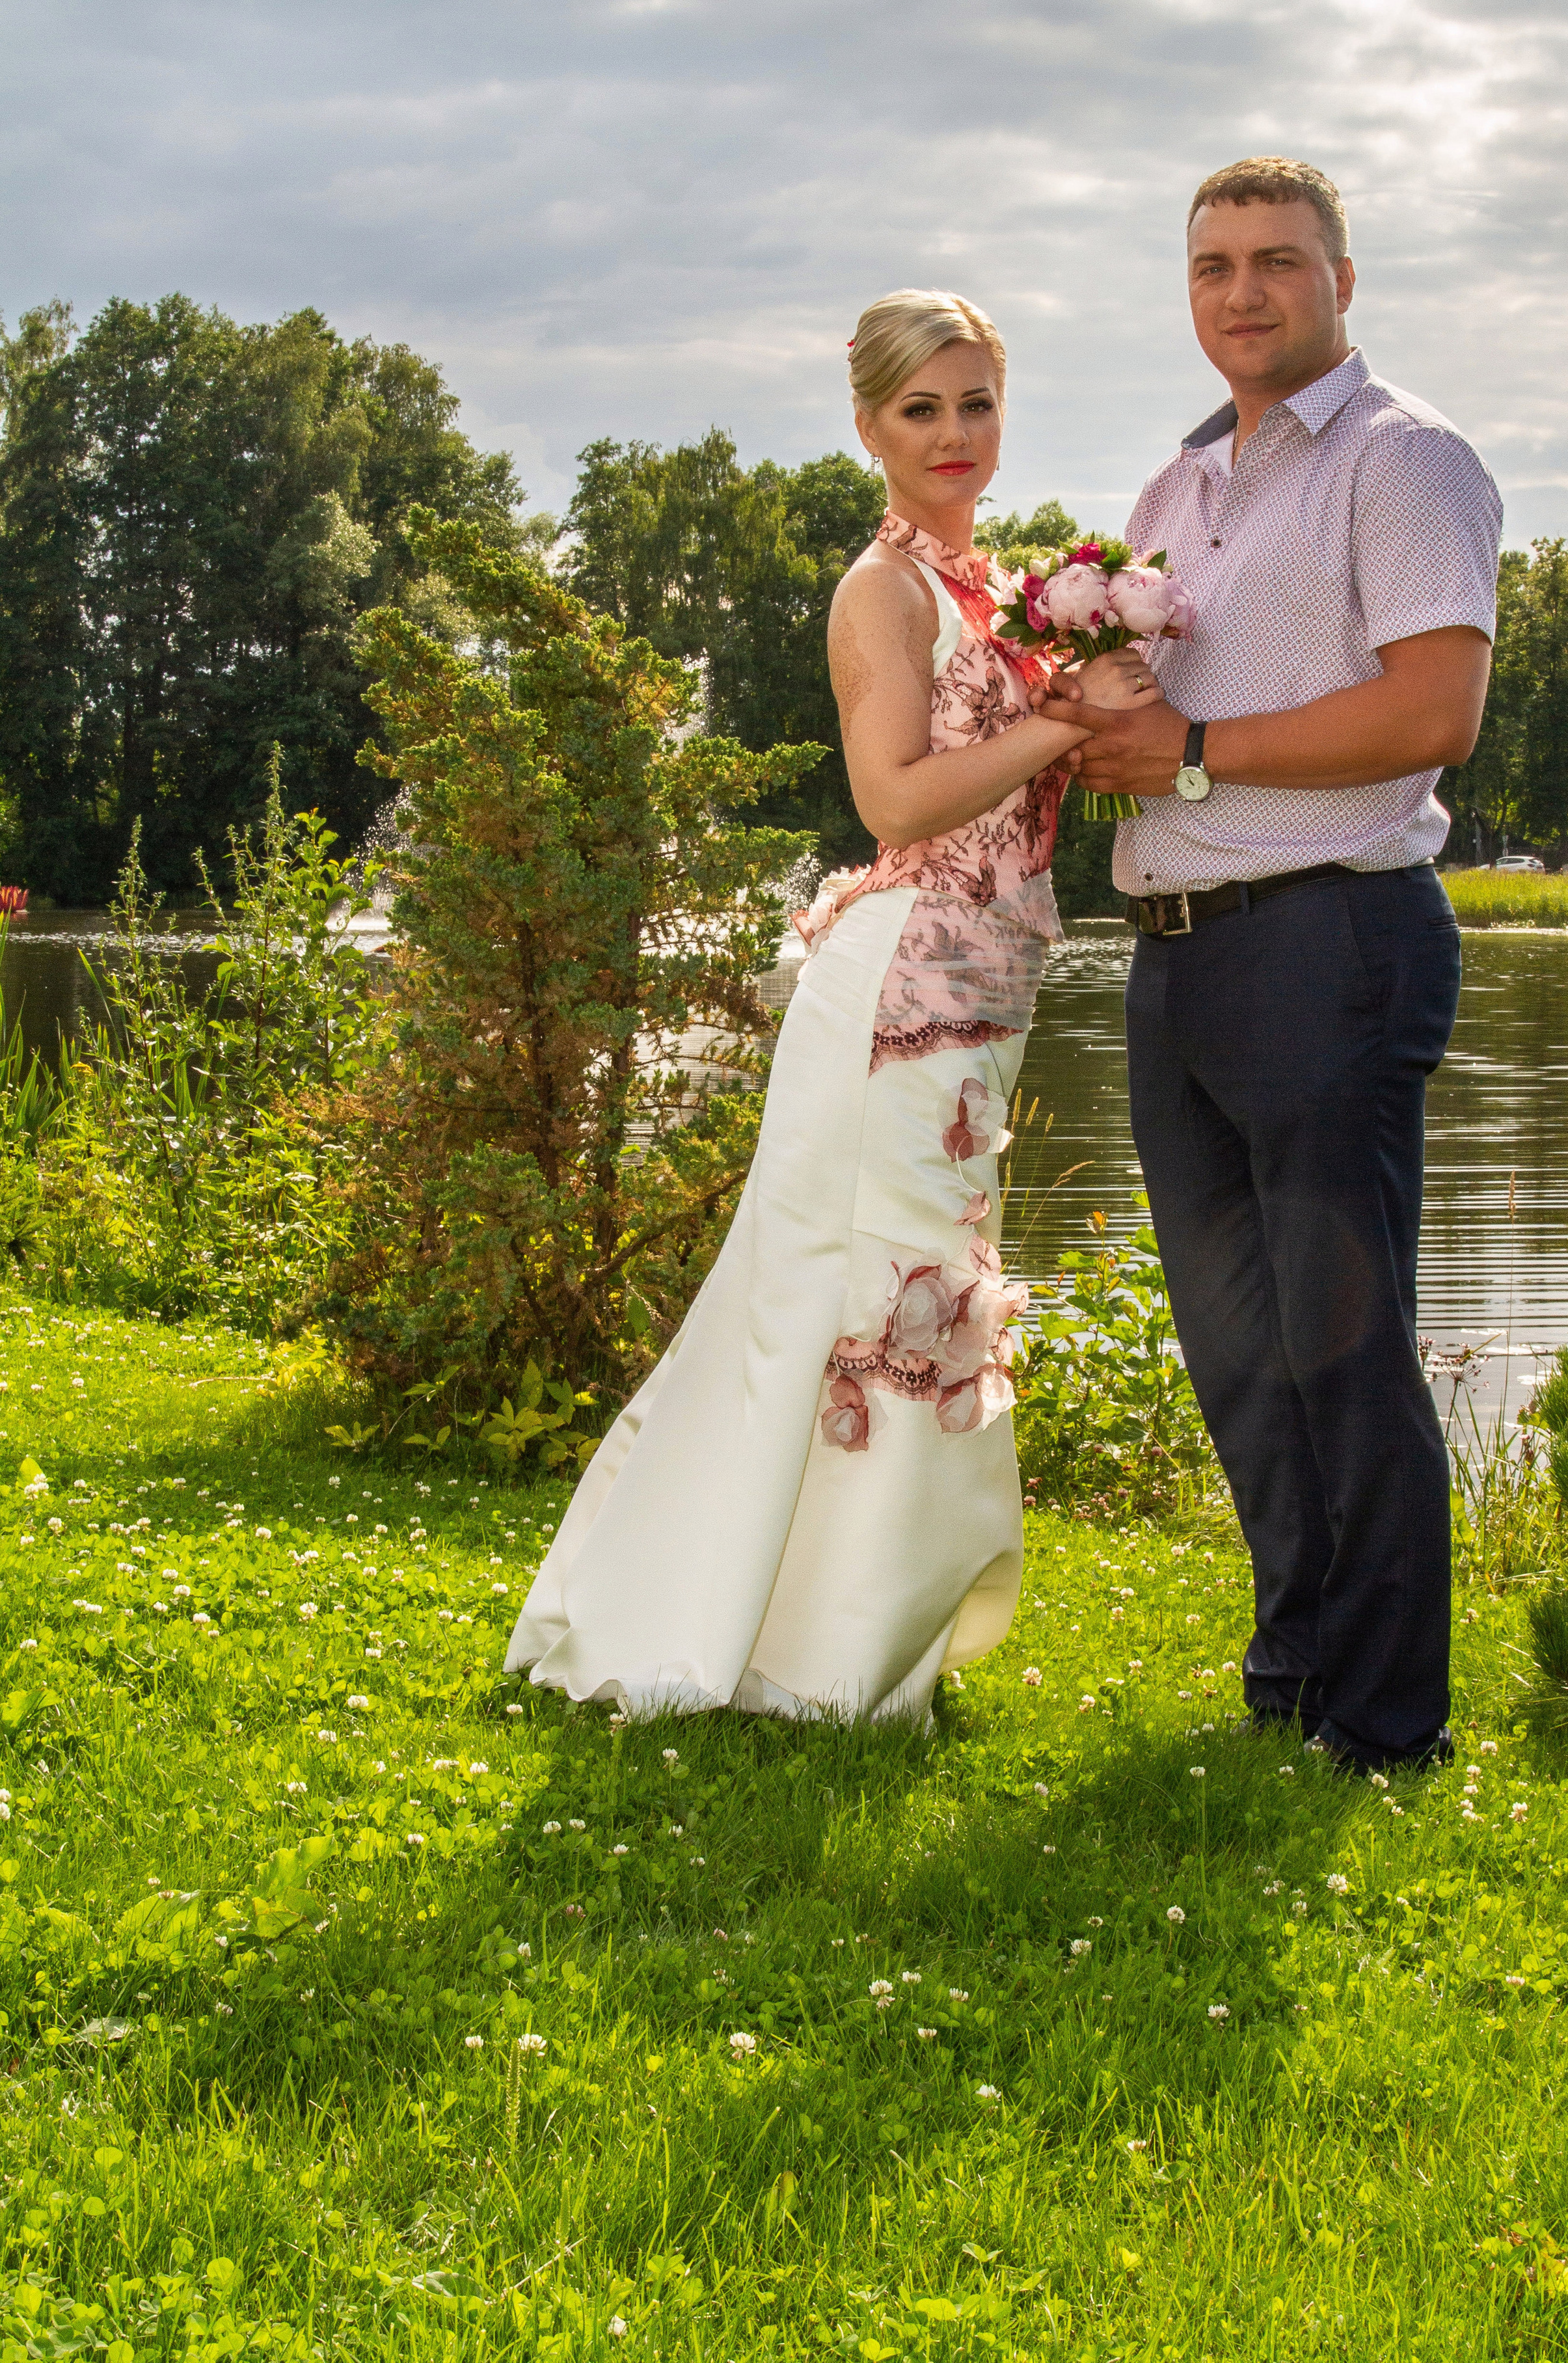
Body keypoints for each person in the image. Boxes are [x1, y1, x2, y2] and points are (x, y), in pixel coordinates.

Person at [506, 290, 1099, 1723]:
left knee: (916, 1295)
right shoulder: (878, 592)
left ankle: (854, 1631)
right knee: (880, 1301)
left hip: (984, 983)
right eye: (921, 410)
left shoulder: (993, 589)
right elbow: (892, 797)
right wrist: (1061, 718)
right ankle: (818, 1655)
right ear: (866, 429)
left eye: (975, 404)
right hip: (899, 987)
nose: (953, 435)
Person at [1041, 157, 1502, 1775]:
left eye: (1277, 263)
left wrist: (1183, 752)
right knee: (1238, 1348)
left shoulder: (1404, 459)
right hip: (1173, 957)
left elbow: (1428, 712)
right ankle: (1291, 1676)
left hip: (1328, 942)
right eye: (1213, 265)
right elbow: (1144, 717)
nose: (1242, 291)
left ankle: (1384, 1729)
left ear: (1341, 281)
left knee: (1340, 1343)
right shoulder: (1176, 492)